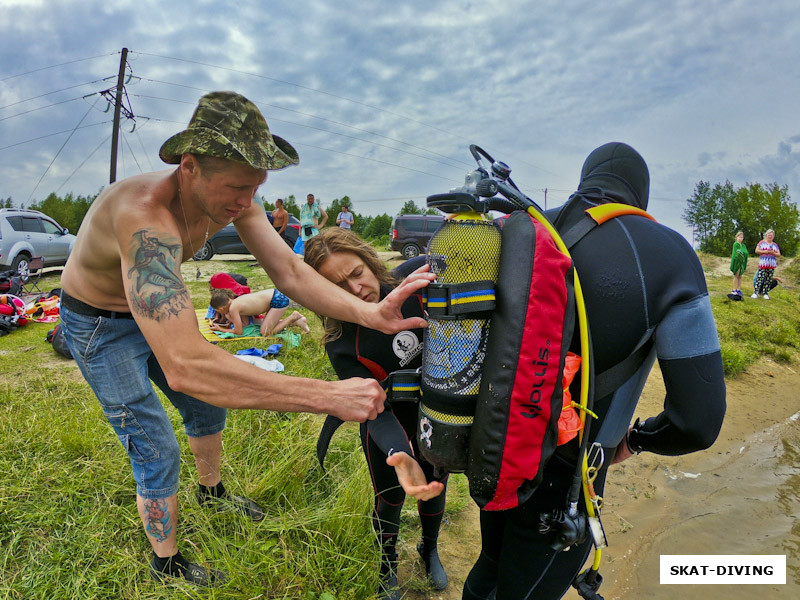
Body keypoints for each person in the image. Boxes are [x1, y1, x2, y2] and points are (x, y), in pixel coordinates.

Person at [58, 91, 434, 587]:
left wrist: (371, 312)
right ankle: (165, 562)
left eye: (255, 187)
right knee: (155, 445)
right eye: (237, 187)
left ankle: (211, 492)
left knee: (206, 410)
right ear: (188, 167)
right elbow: (186, 365)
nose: (246, 201)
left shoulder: (237, 200)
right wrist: (328, 395)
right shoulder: (145, 220)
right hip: (99, 324)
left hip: (147, 311)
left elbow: (291, 274)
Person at [391, 142, 725, 600]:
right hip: (570, 477)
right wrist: (634, 441)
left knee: (491, 563)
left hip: (492, 443)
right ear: (639, 193)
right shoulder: (669, 253)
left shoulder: (525, 227)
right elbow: (698, 422)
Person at [304, 228, 448, 600]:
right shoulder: (341, 341)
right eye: (337, 285)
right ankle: (387, 565)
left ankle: (429, 549)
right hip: (386, 424)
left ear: (370, 261)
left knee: (434, 486)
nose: (355, 290)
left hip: (434, 415)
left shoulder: (413, 283)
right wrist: (399, 453)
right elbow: (371, 408)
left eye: (357, 273)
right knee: (390, 495)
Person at [209, 288, 310, 335]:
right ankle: (298, 322)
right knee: (267, 324)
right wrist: (229, 323)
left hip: (277, 300)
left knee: (265, 332)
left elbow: (238, 331)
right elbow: (243, 324)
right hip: (274, 296)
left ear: (221, 308)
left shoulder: (233, 308)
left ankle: (293, 316)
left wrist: (220, 329)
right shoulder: (235, 302)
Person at [751, 229, 780, 299]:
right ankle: (756, 292)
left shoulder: (775, 245)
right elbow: (756, 250)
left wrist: (773, 253)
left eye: (771, 235)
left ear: (773, 236)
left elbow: (778, 254)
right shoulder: (761, 242)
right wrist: (765, 251)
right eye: (769, 235)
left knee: (768, 279)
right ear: (766, 235)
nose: (770, 236)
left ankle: (765, 293)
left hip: (771, 265)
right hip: (763, 264)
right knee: (760, 278)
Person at [728, 231, 748, 300]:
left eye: (742, 237)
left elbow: (746, 253)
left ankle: (738, 289)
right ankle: (734, 289)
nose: (740, 238)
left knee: (740, 276)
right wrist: (742, 254)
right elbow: (737, 253)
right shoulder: (735, 244)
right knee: (736, 276)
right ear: (736, 237)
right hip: (737, 262)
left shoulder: (743, 245)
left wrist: (743, 254)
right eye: (739, 237)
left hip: (742, 262)